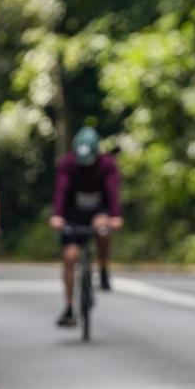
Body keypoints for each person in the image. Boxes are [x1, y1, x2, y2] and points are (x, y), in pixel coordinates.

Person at [49, 126, 123, 327]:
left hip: (99, 211)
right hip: (73, 215)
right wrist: (57, 216)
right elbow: (61, 191)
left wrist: (115, 216)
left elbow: (112, 191)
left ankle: (104, 267)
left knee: (102, 228)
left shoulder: (107, 164)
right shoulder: (67, 164)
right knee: (70, 256)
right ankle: (70, 307)